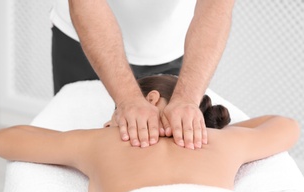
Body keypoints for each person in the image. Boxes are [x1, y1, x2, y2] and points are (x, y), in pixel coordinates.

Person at [0, 75, 300, 192]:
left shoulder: (101, 140)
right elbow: (286, 125)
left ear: (149, 99)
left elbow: (2, 140)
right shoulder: (222, 141)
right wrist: (202, 128)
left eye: (115, 111)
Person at [50, 0, 236, 150]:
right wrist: (126, 99)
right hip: (86, 35)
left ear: (153, 99)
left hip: (174, 40)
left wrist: (187, 97)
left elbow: (218, 6)